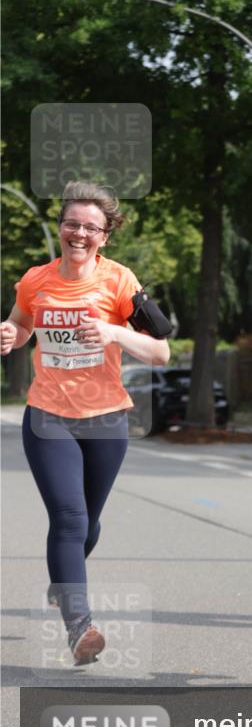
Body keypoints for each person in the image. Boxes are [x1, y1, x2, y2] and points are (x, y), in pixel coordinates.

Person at [0, 181, 170, 664]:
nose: (79, 233)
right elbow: (22, 323)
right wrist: (12, 334)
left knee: (88, 524)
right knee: (70, 519)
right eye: (71, 223)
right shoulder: (35, 280)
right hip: (48, 415)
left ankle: (63, 578)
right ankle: (81, 626)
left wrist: (114, 329)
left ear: (105, 237)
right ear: (60, 228)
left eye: (90, 227)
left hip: (106, 419)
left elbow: (160, 351)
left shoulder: (120, 282)